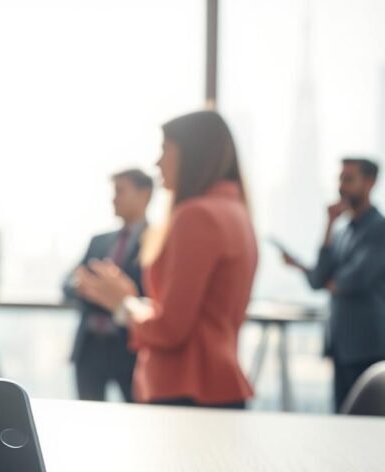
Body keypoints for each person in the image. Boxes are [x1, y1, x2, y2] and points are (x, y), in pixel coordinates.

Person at [76, 110, 258, 408]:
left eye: (165, 149)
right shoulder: (235, 212)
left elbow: (169, 329)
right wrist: (134, 301)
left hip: (185, 390)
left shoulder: (196, 216)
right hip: (214, 386)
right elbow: (195, 317)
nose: (157, 162)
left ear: (191, 154)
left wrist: (124, 304)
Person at [282, 158, 385, 412]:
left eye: (349, 179)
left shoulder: (379, 229)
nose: (342, 186)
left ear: (370, 182)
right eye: (340, 179)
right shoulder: (341, 230)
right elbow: (319, 280)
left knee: (368, 418)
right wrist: (328, 223)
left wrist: (330, 280)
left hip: (368, 345)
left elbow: (351, 280)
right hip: (340, 343)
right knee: (342, 414)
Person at [64, 169, 152, 402]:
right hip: (90, 349)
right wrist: (84, 288)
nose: (114, 199)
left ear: (144, 194)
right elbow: (68, 282)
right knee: (87, 415)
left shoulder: (157, 240)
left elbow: (155, 295)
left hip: (130, 349)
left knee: (137, 417)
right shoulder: (99, 241)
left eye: (120, 191)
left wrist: (116, 298)